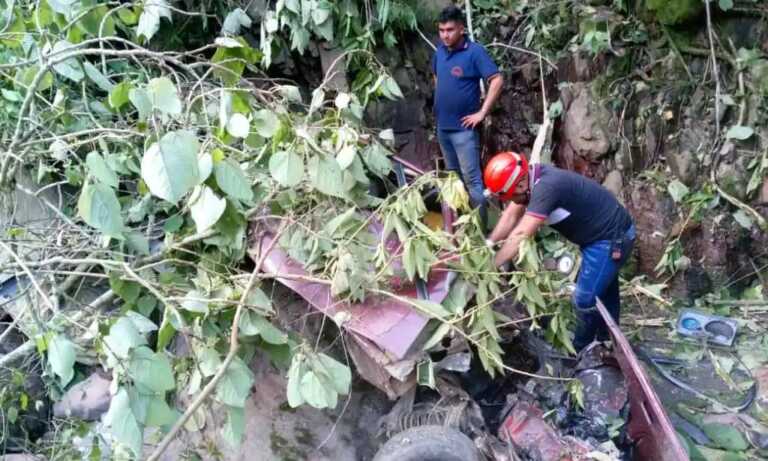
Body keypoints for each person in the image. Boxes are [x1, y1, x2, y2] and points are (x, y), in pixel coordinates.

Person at [484, 152, 636, 351]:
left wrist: (490, 267)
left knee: (584, 298)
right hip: (600, 237)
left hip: (611, 240)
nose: (512, 201)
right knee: (604, 290)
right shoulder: (530, 180)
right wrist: (489, 243)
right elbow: (510, 216)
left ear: (520, 185)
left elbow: (521, 234)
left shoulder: (547, 188)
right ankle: (608, 339)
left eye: (511, 195)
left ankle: (582, 348)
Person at [432, 6, 503, 227]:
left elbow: (497, 80)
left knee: (473, 182)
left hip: (464, 130)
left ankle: (481, 233)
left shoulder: (475, 52)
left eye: (450, 30)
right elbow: (437, 77)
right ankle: (461, 229)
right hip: (443, 128)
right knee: (453, 181)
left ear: (461, 29)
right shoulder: (439, 53)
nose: (445, 35)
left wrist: (482, 113)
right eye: (442, 30)